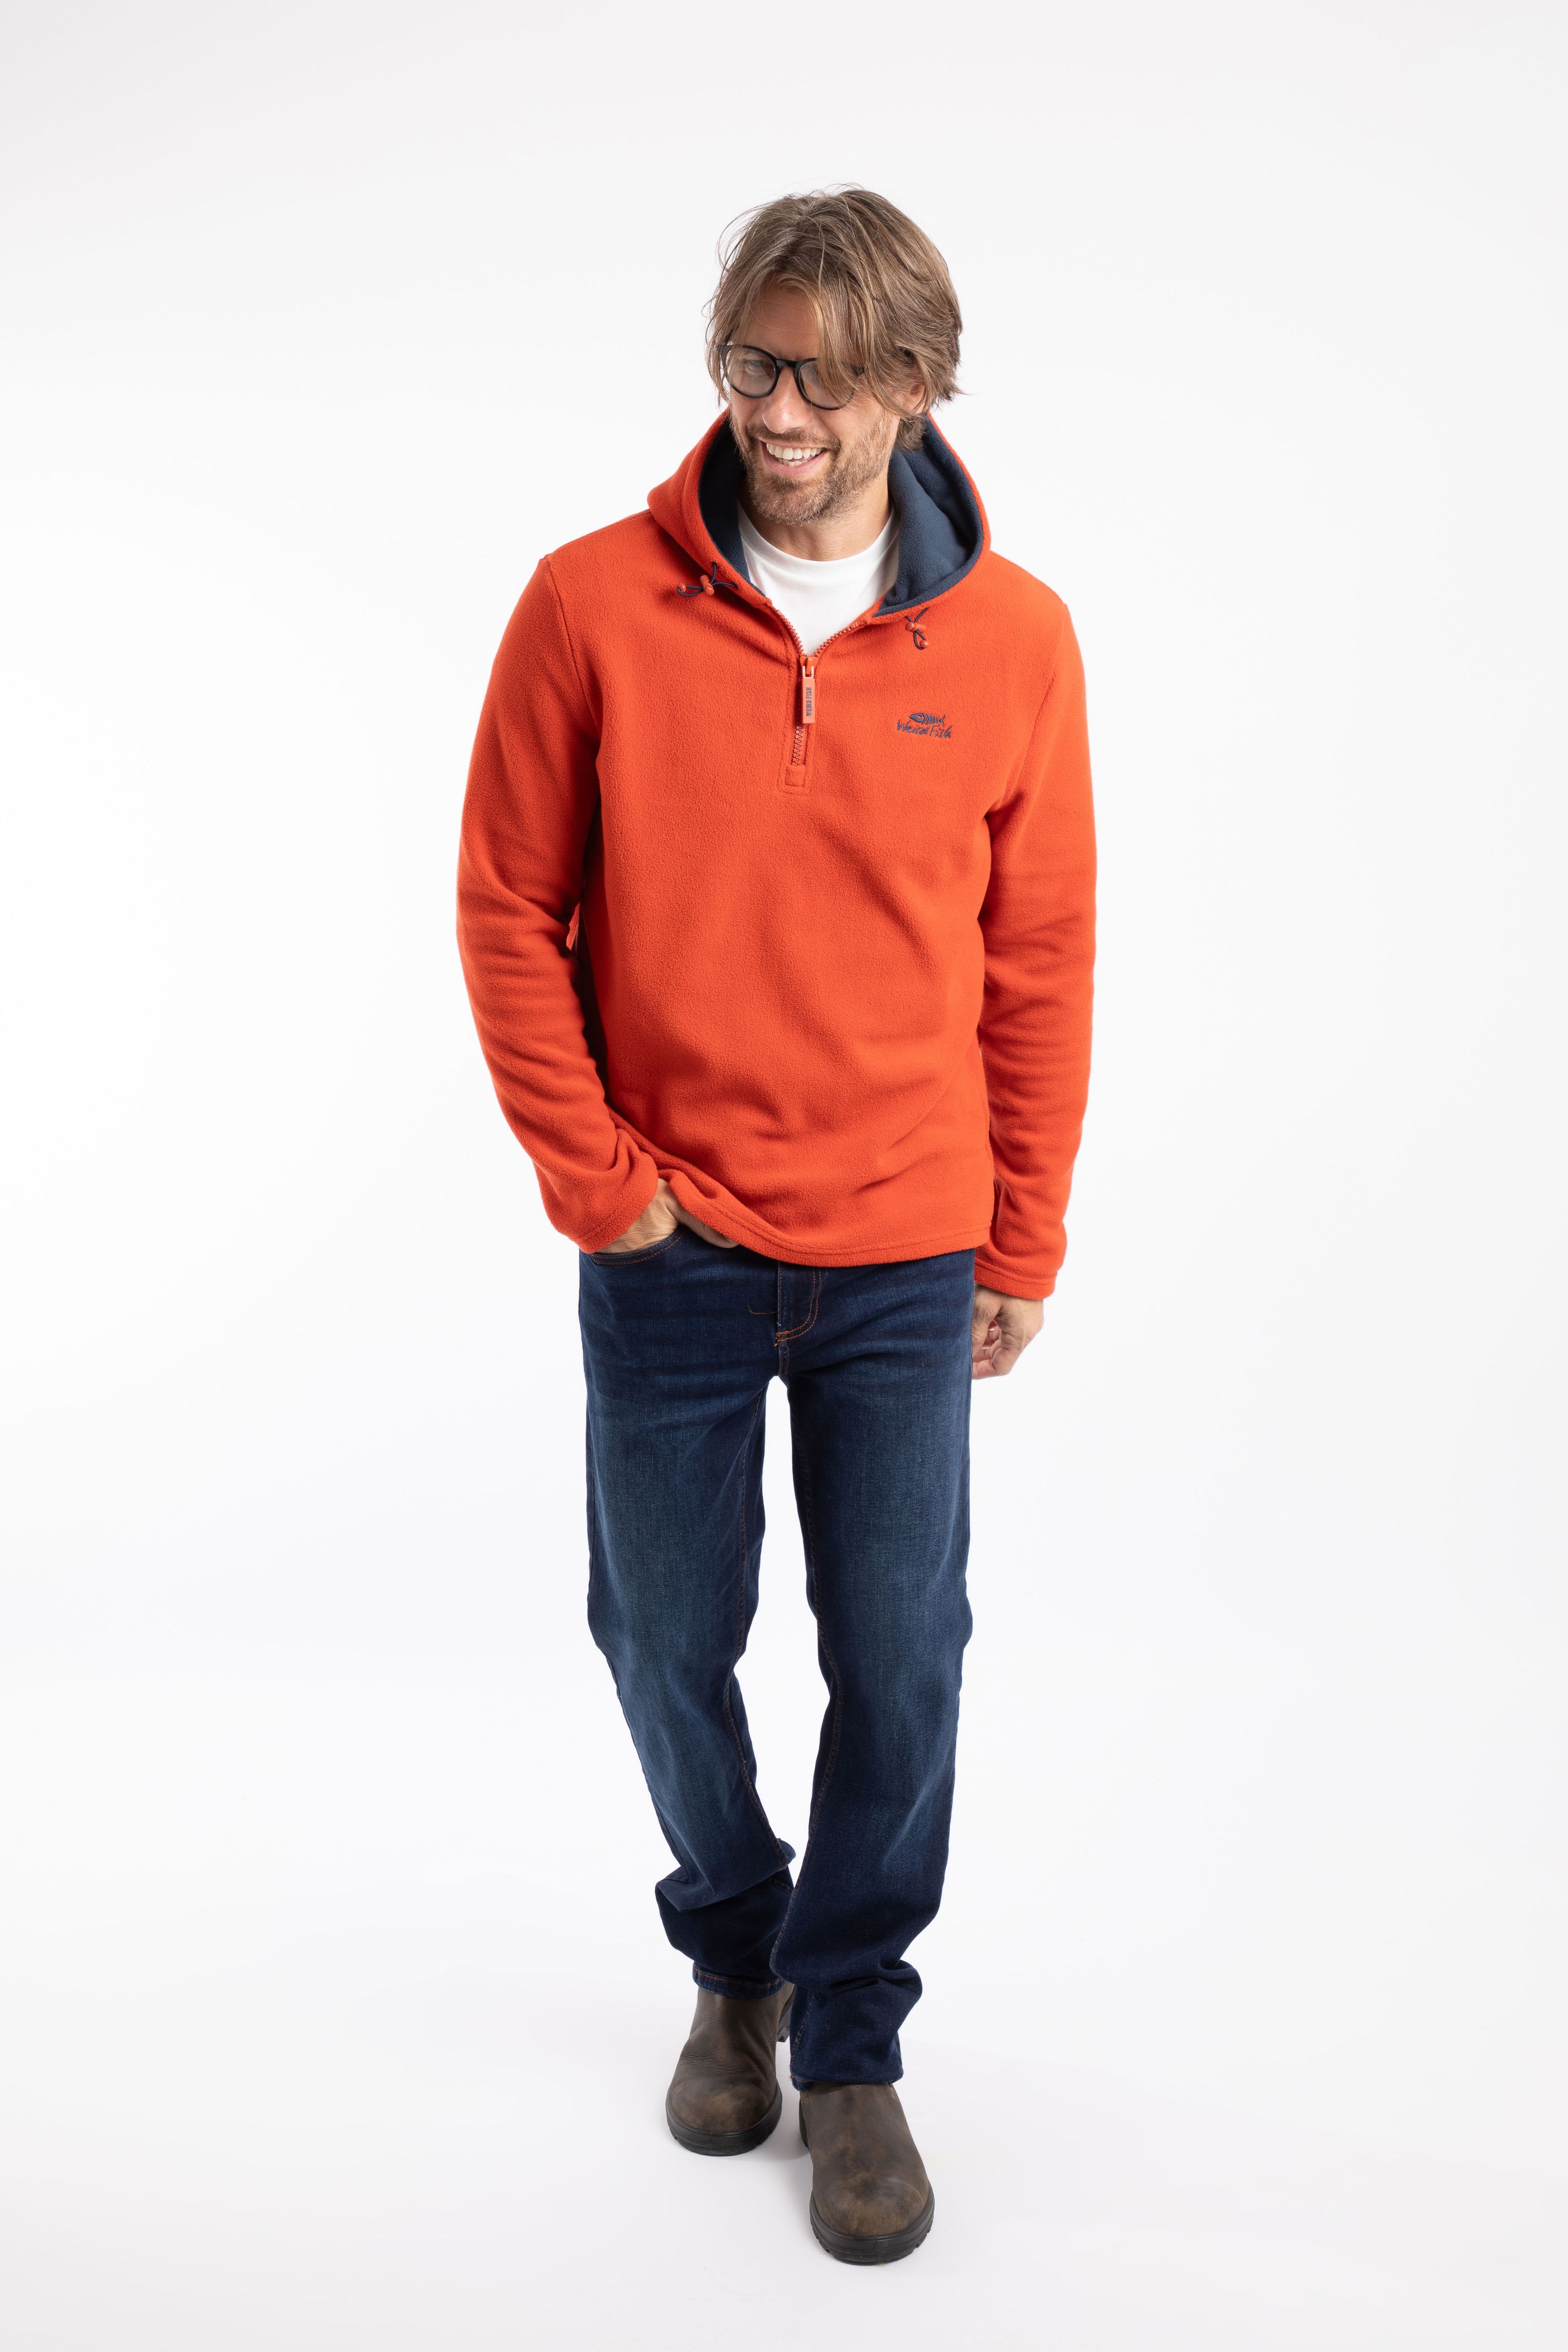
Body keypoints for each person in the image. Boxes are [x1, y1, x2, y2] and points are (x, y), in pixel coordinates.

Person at [457, 187, 1095, 2265]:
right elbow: (507, 908)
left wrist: (1022, 1236)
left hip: (907, 1248)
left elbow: (1040, 960)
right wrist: (603, 1185)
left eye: (827, 374)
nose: (781, 411)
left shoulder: (1017, 641)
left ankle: (854, 2035)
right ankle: (736, 1953)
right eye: (752, 362)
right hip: (673, 1245)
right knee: (657, 1631)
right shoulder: (590, 602)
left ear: (918, 384)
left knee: (902, 1650)